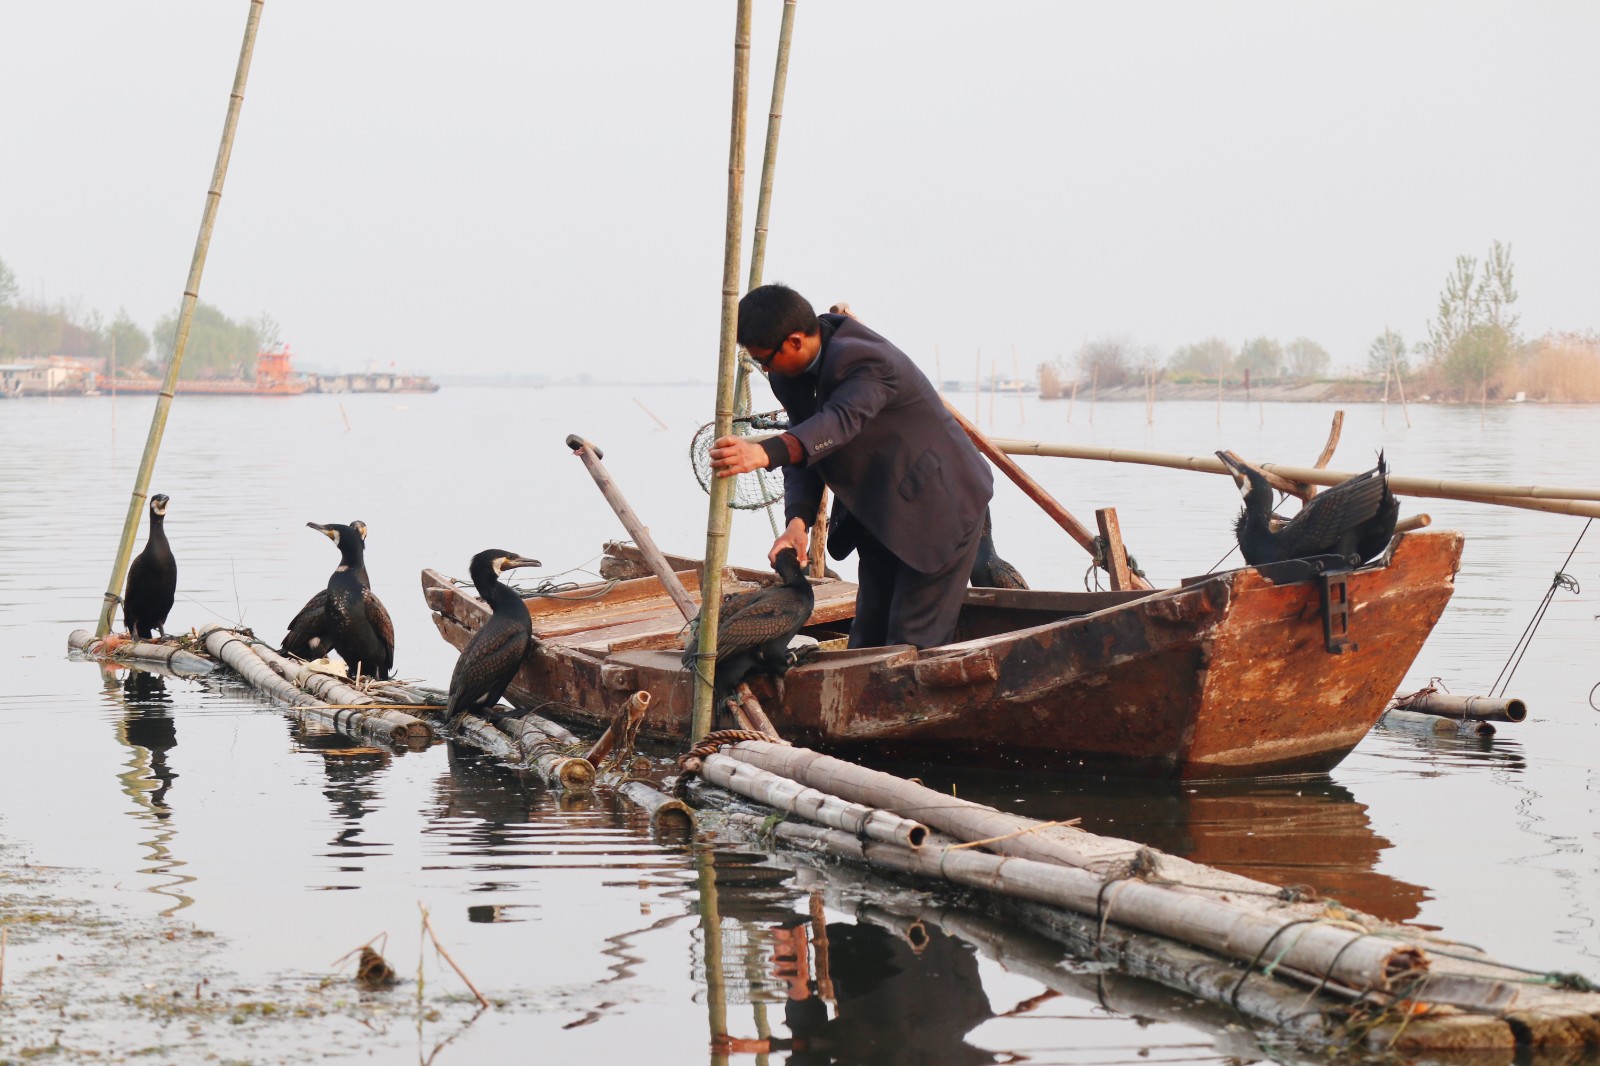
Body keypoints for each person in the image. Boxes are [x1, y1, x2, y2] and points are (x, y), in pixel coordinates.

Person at [709, 283, 993, 649]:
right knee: (866, 640)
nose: (765, 368)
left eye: (766, 359)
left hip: (937, 504)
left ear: (795, 341)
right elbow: (807, 446)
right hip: (877, 511)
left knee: (912, 644)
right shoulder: (787, 375)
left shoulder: (866, 360)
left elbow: (837, 422)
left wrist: (763, 453)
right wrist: (798, 522)